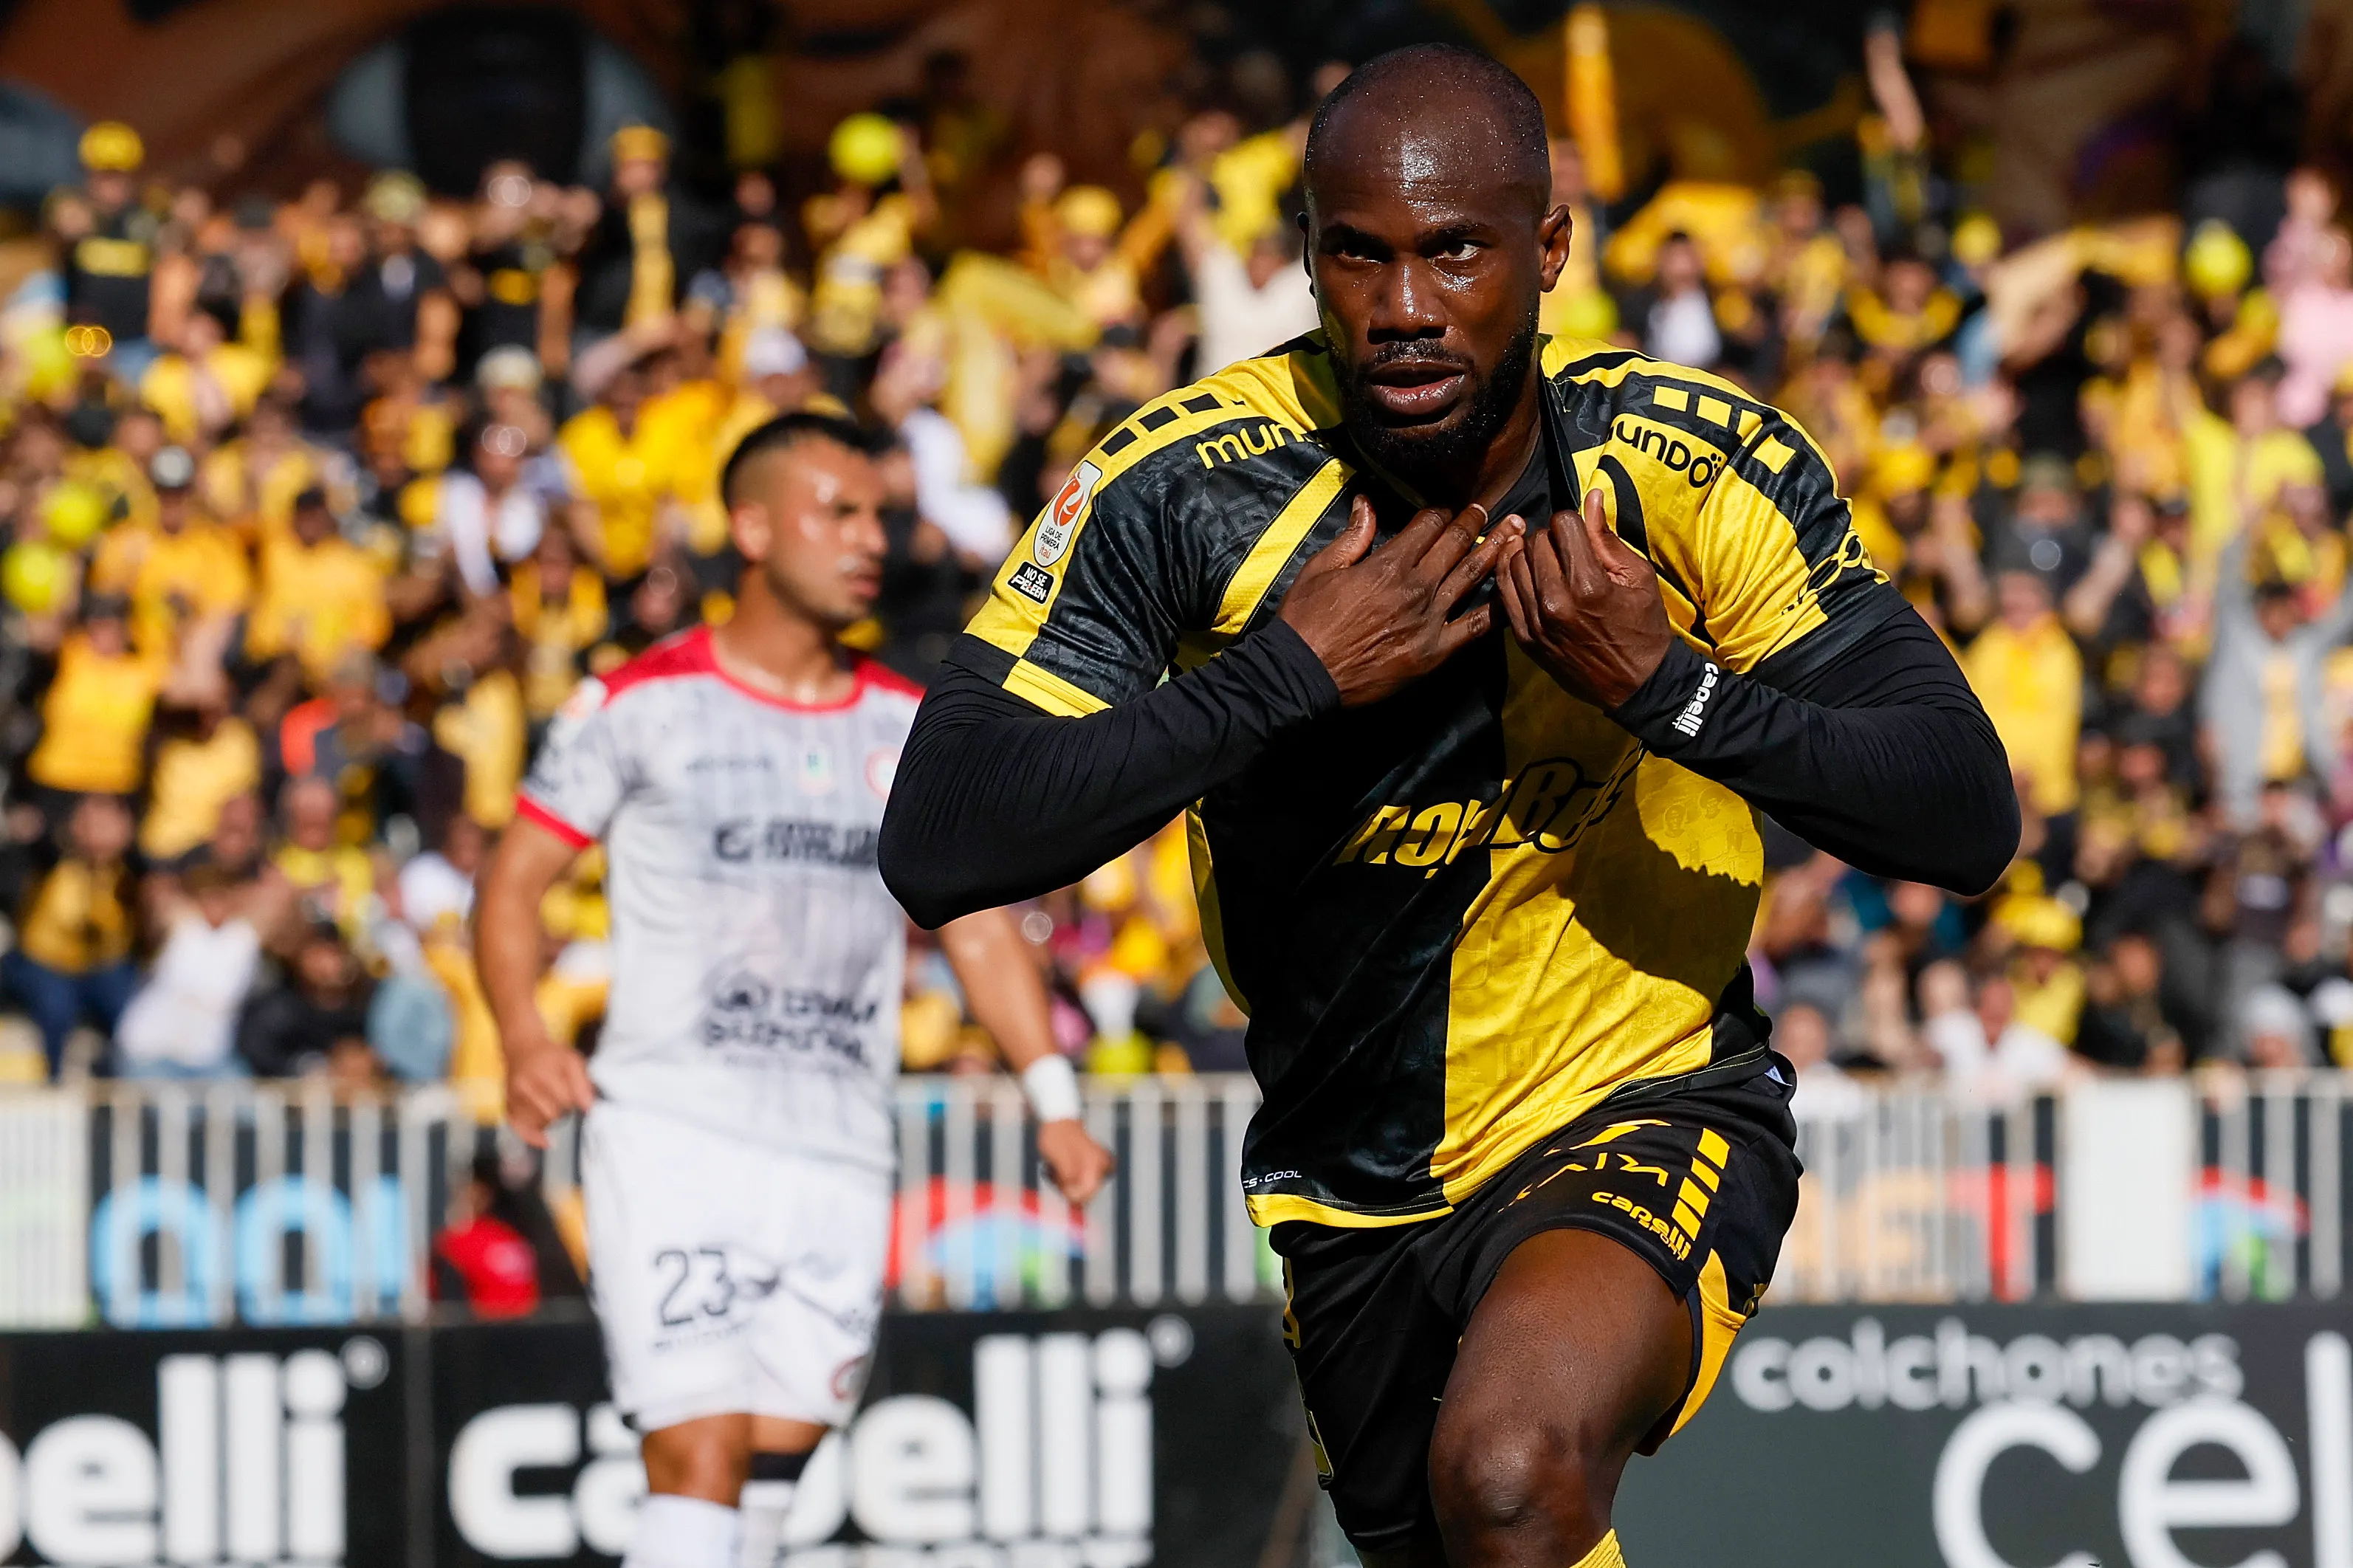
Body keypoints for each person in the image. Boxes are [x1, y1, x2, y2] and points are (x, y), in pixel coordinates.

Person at [879, 46, 2017, 1568]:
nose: (1403, 306)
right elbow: (943, 833)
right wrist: (1278, 679)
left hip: (1643, 1095)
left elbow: (1962, 811)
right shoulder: (1185, 486)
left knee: (1509, 1473)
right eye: (1359, 254)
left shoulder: (1677, 465)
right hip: (1351, 1188)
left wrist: (1670, 691)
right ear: (1306, 258)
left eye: (1453, 251)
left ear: (1548, 252)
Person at [473, 411, 1114, 1568]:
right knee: (700, 1460)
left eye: (880, 515)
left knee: (770, 1473)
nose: (871, 538)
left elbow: (968, 922)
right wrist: (524, 1036)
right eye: (839, 511)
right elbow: (512, 883)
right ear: (753, 526)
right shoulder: (641, 704)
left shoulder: (906, 728)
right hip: (673, 1131)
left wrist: (1053, 1098)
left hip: (834, 1149)